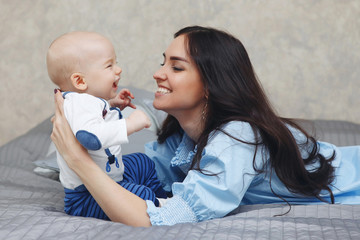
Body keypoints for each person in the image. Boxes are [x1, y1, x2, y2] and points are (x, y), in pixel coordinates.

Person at [50, 26, 360, 227]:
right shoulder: (183, 135)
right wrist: (79, 155)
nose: (158, 74)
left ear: (210, 84)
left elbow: (157, 219)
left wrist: (79, 161)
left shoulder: (236, 138)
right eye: (163, 62)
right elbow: (148, 170)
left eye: (176, 66)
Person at [46, 31, 166, 220]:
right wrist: (130, 124)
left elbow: (91, 118)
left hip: (110, 176)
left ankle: (162, 195)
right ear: (80, 81)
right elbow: (90, 137)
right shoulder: (80, 103)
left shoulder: (84, 102)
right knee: (141, 194)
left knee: (142, 163)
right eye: (109, 65)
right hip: (88, 196)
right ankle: (162, 204)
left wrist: (111, 105)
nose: (118, 70)